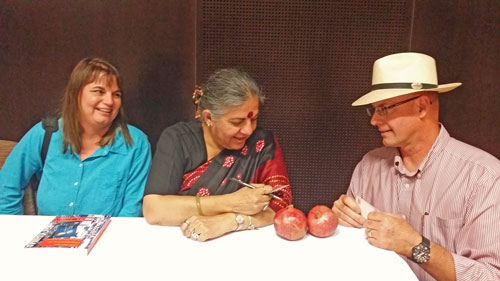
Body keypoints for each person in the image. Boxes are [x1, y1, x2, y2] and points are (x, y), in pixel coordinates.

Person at [332, 52, 500, 281]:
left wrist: (414, 245)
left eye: (385, 109)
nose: (373, 120)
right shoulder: (368, 167)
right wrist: (340, 225)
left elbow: (490, 277)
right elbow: (352, 254)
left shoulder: (484, 178)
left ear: (421, 106)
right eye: (374, 109)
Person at [143, 68, 292, 241]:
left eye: (254, 119)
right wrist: (232, 202)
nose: (248, 130)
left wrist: (229, 222)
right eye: (237, 122)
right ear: (208, 118)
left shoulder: (261, 143)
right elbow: (154, 210)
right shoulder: (177, 139)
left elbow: (282, 205)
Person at [0, 57, 152, 216]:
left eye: (116, 94)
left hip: (107, 238)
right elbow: (6, 186)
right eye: (99, 91)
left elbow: (131, 210)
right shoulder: (46, 133)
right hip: (48, 238)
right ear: (76, 94)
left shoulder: (135, 143)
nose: (109, 101)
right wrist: (15, 230)